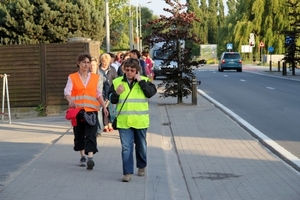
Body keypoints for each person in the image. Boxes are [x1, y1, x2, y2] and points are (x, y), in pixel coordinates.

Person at [108, 58, 157, 182]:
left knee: (141, 146)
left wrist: (141, 82)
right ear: (124, 69)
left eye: (132, 70)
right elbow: (111, 99)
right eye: (127, 70)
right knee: (126, 147)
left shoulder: (145, 81)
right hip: (124, 121)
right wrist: (117, 93)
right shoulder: (117, 82)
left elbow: (151, 93)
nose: (129, 72)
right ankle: (127, 173)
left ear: (137, 71)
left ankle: (141, 166)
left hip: (140, 121)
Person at [64, 52, 109, 170]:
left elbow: (98, 93)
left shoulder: (95, 77)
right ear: (78, 63)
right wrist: (70, 100)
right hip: (77, 111)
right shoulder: (72, 77)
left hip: (91, 110)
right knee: (79, 134)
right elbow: (67, 91)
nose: (86, 65)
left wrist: (104, 107)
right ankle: (82, 155)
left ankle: (90, 158)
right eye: (83, 62)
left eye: (88, 62)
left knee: (91, 134)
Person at [99, 53, 118, 132]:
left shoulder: (112, 69)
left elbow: (116, 80)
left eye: (107, 61)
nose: (105, 63)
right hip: (101, 91)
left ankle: (110, 123)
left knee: (110, 108)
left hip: (110, 91)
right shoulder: (98, 69)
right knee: (103, 108)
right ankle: (105, 124)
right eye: (103, 61)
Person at [90, 57, 107, 136]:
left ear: (97, 65)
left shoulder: (100, 74)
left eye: (94, 65)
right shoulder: (87, 74)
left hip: (99, 97)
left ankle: (99, 130)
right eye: (91, 65)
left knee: (98, 112)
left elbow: (105, 86)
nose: (92, 67)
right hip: (89, 97)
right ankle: (92, 129)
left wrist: (106, 96)